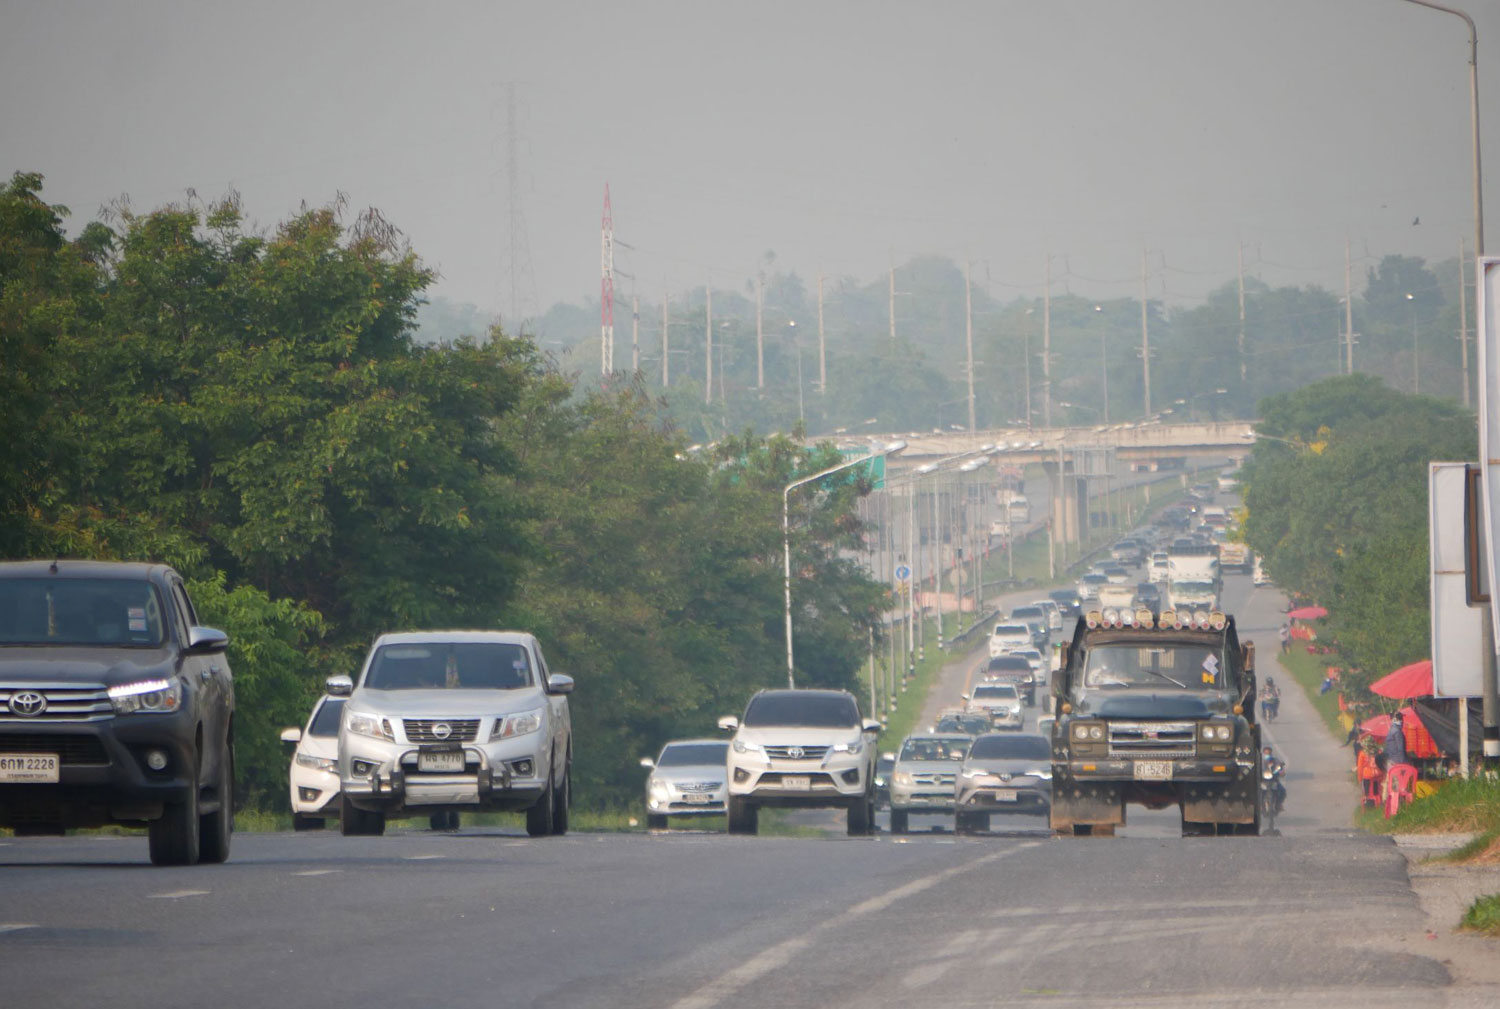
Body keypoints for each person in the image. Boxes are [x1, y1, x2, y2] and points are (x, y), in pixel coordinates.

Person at [1261, 745, 1287, 813]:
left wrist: (1281, 772)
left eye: (1268, 753)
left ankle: (1278, 804)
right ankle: (1260, 805)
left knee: (1282, 791)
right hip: (1262, 781)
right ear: (1263, 753)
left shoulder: (1275, 760)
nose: (1267, 755)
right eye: (1266, 753)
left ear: (1271, 753)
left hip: (1273, 780)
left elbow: (1280, 768)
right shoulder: (1260, 761)